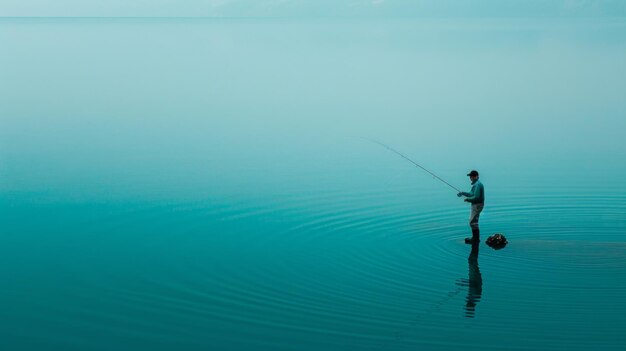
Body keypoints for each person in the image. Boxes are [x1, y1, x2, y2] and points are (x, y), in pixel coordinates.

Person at [457, 170, 485, 244]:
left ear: (476, 176)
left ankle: (475, 239)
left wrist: (467, 199)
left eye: (472, 176)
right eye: (470, 176)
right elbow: (471, 194)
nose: (470, 178)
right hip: (476, 205)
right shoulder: (476, 184)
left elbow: (476, 197)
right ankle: (475, 239)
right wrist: (463, 193)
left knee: (473, 222)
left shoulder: (478, 185)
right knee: (472, 221)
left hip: (477, 205)